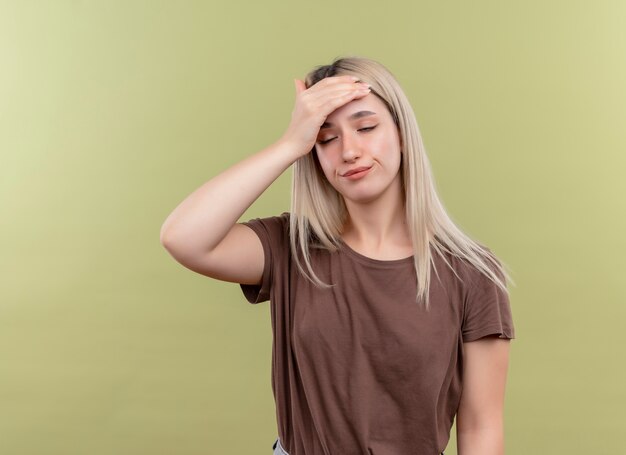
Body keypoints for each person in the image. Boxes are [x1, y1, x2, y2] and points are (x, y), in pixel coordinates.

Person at [160, 55, 516, 455]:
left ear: (401, 134)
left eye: (366, 127)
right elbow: (183, 237)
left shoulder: (471, 274)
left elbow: (481, 428)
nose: (349, 151)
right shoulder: (292, 247)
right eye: (326, 138)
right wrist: (290, 143)